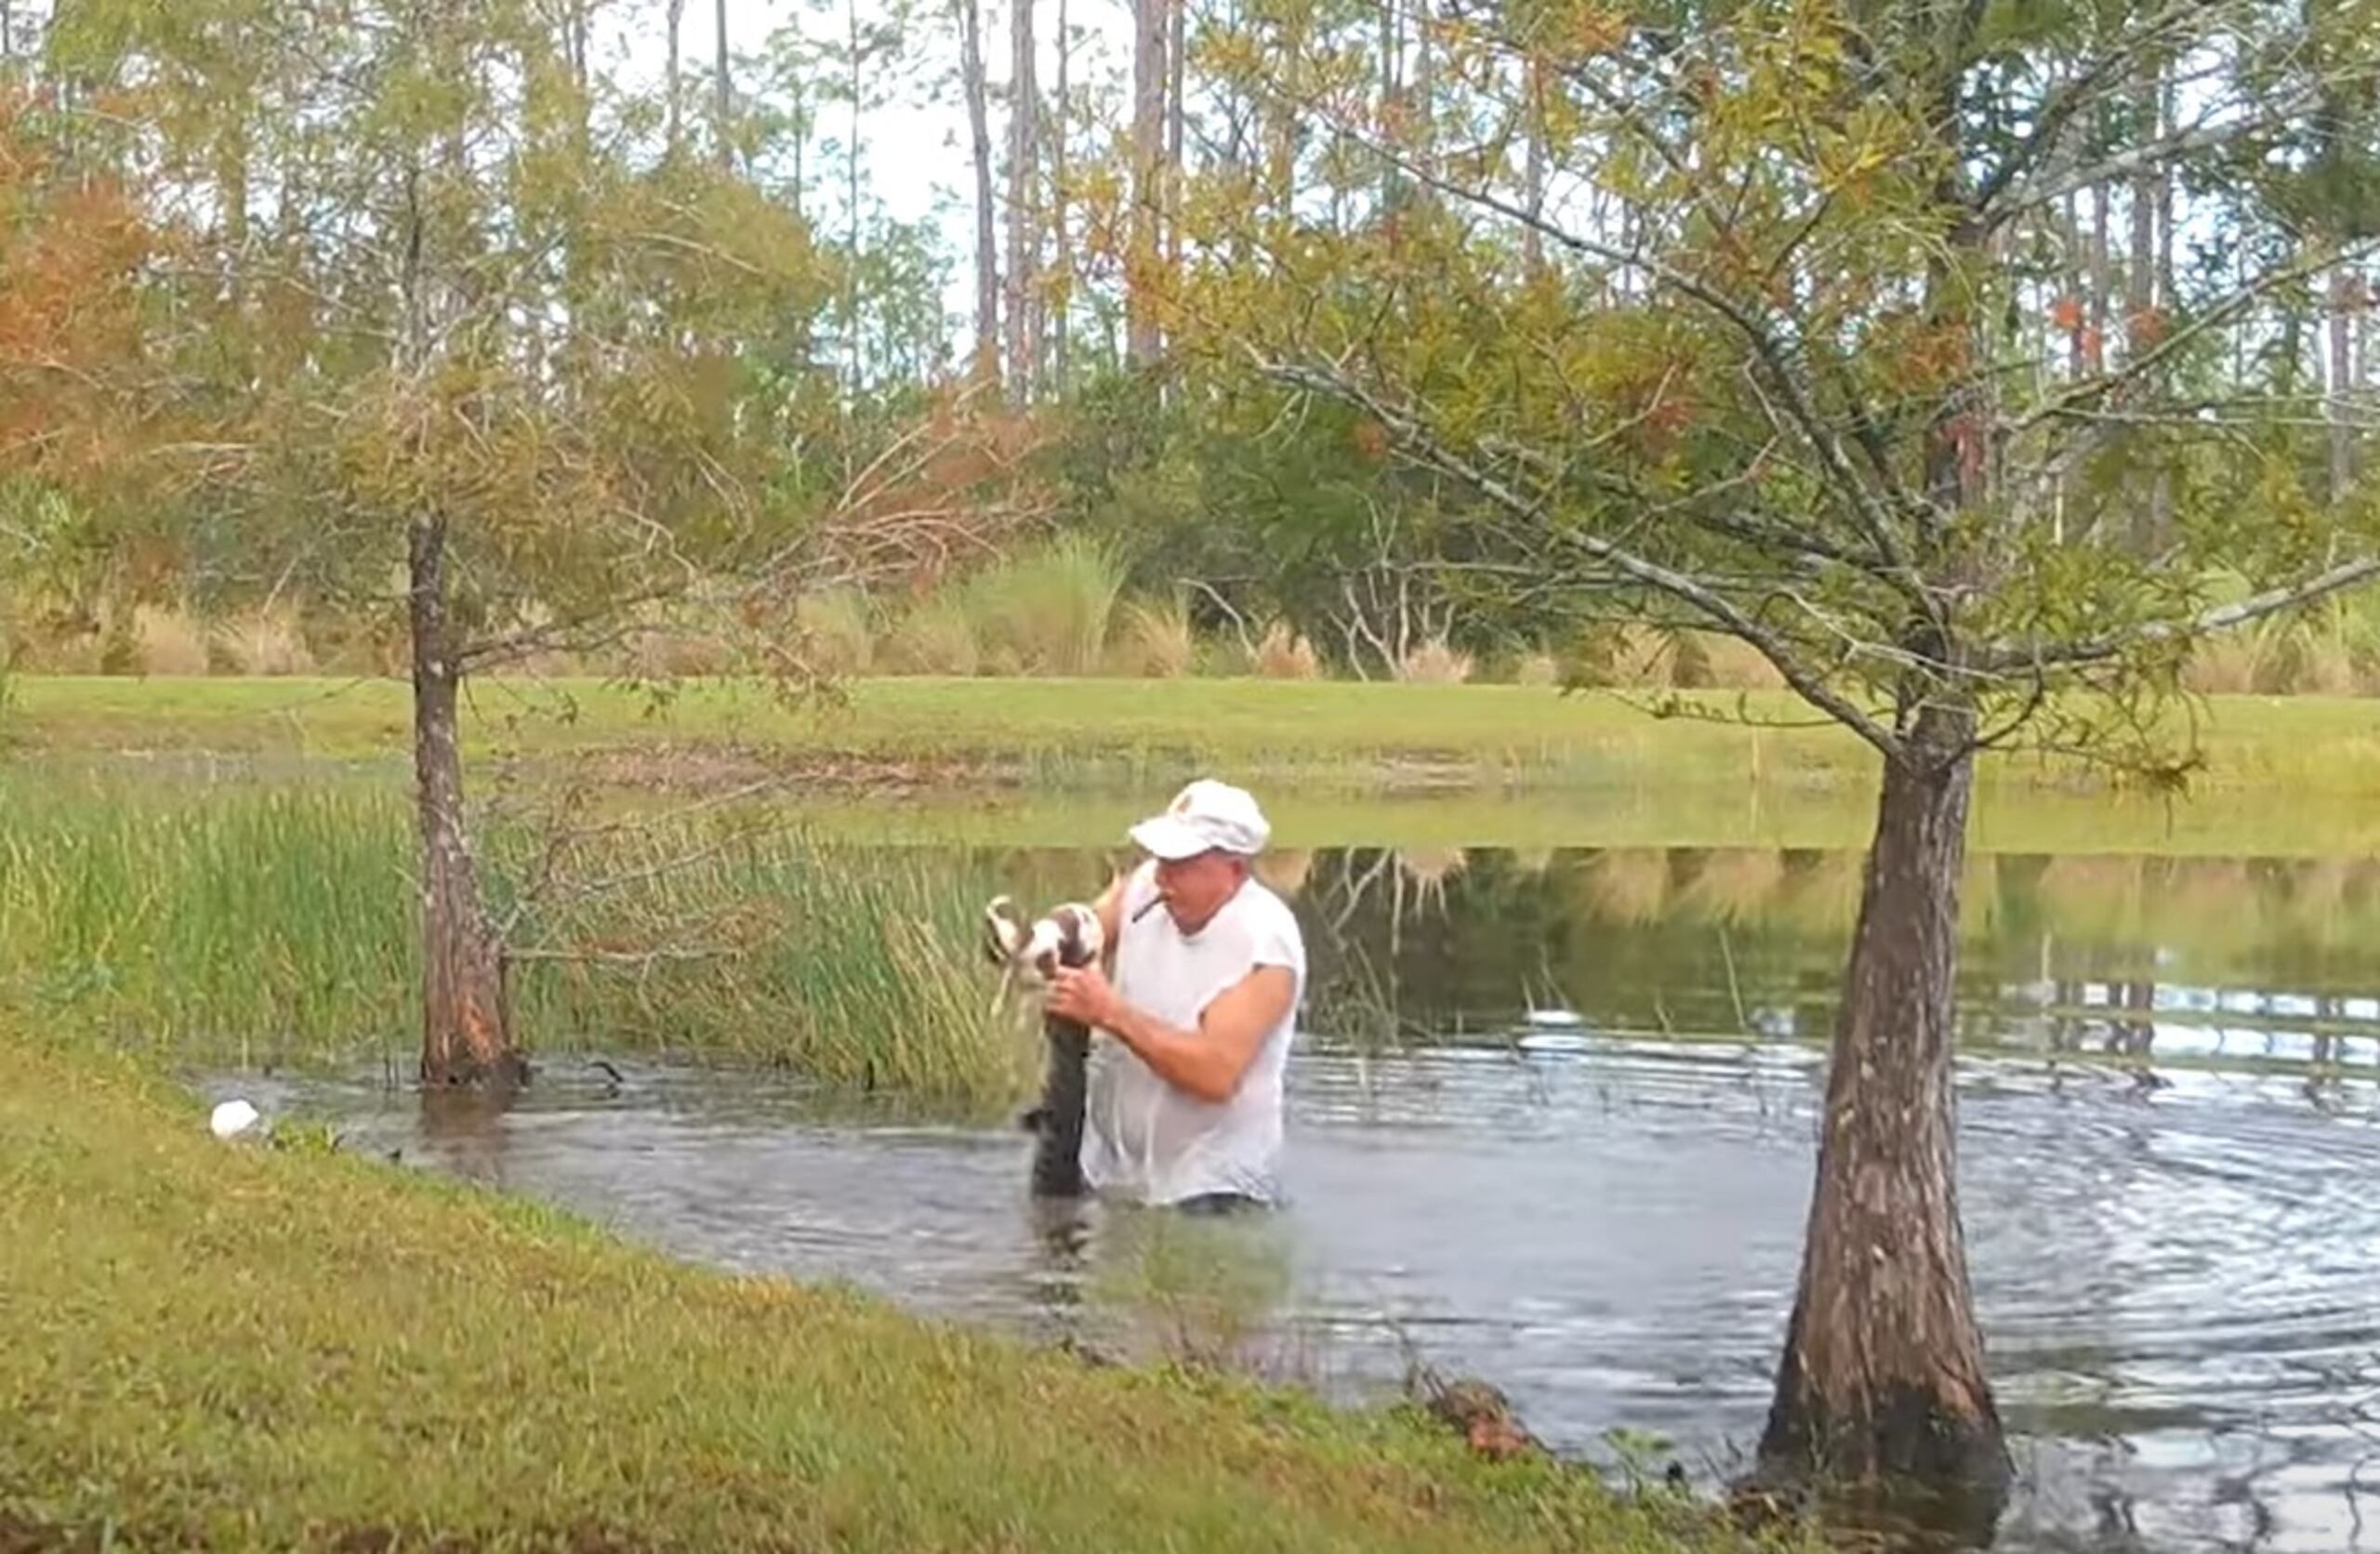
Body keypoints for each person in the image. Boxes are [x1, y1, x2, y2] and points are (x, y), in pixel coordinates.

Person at [1044, 778, 1306, 1213]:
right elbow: (1089, 926)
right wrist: (1044, 937)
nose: (1164, 876)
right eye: (1162, 858)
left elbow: (1215, 1073)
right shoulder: (1149, 885)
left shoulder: (1265, 946)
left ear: (1235, 870)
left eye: (1182, 863)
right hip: (1115, 1176)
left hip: (1217, 1193)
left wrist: (1109, 1012)